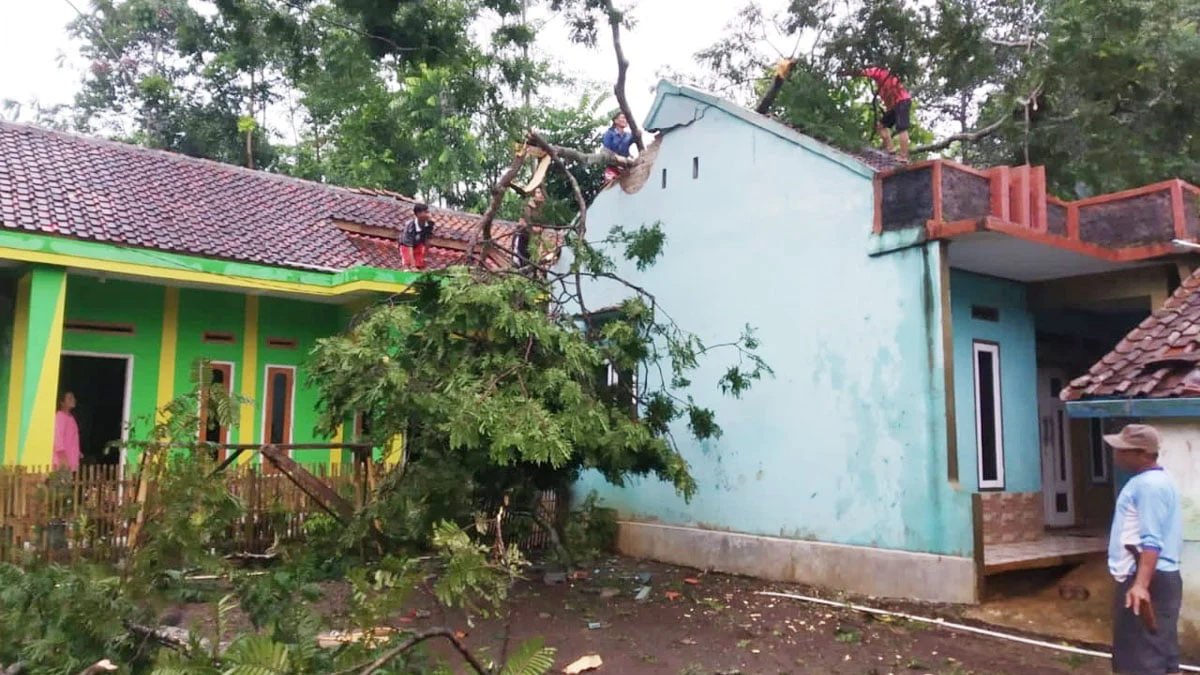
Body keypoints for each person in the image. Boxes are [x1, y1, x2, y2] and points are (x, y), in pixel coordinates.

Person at [1104, 423, 1184, 675]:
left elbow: (1151, 540)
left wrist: (1140, 585)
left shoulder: (1148, 486)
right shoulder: (1157, 481)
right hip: (1157, 577)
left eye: (1121, 449)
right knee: (1160, 652)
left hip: (1146, 578)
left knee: (1141, 660)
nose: (1115, 453)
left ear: (1141, 453)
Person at [841, 66, 913, 162]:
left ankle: (903, 156)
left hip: (902, 101)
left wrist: (848, 72)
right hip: (894, 106)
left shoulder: (880, 71)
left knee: (902, 128)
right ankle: (891, 150)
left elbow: (865, 72)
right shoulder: (884, 80)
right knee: (881, 126)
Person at [399, 203, 435, 270]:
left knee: (419, 264)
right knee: (407, 264)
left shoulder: (430, 224)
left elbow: (428, 240)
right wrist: (413, 265)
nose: (429, 214)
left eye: (429, 212)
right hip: (406, 245)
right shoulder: (410, 226)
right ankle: (406, 270)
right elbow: (409, 246)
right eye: (426, 212)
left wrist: (424, 256)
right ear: (418, 214)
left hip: (419, 244)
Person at [602, 112, 635, 182]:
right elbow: (606, 151)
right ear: (616, 121)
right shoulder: (609, 134)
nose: (625, 120)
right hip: (613, 168)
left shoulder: (628, 135)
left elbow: (636, 137)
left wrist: (638, 133)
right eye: (623, 118)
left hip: (625, 167)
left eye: (626, 118)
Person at [53, 391, 81, 471]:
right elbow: (58, 439)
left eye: (73, 398)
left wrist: (77, 452)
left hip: (70, 461)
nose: (73, 400)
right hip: (61, 462)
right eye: (69, 398)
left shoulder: (71, 418)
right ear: (62, 402)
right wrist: (63, 458)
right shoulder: (59, 417)